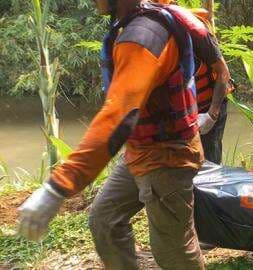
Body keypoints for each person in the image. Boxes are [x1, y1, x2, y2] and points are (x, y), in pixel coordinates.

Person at [16, 1, 230, 269]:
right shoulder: (131, 24)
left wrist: (57, 187)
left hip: (166, 156)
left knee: (173, 252)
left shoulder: (144, 36)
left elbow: (118, 116)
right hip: (140, 150)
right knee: (105, 221)